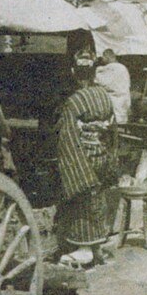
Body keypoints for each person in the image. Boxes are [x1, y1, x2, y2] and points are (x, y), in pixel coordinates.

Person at [55, 50, 119, 269]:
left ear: (74, 72)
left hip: (84, 155)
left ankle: (85, 249)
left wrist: (72, 164)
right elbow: (112, 128)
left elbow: (68, 134)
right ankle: (98, 245)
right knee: (98, 197)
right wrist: (110, 154)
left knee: (81, 197)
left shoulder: (74, 101)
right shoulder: (103, 95)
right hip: (102, 151)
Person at [94, 49, 132, 126]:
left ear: (107, 57)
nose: (102, 60)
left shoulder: (106, 69)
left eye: (103, 58)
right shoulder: (123, 68)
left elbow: (102, 82)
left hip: (112, 100)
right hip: (124, 98)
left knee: (111, 124)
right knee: (122, 121)